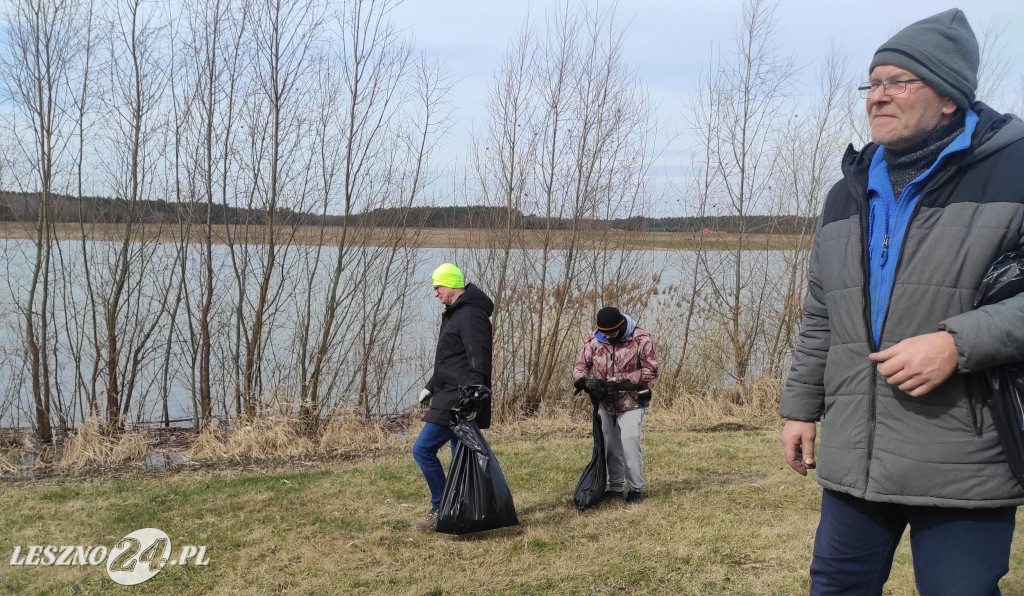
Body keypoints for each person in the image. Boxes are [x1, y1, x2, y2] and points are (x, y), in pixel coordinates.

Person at [779, 8, 1024, 595]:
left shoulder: (1014, 172)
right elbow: (822, 315)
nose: (878, 96)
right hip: (855, 458)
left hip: (965, 456)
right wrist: (800, 409)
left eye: (898, 82)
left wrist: (958, 344)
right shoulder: (846, 191)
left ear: (949, 98)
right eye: (872, 83)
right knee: (835, 587)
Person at [412, 263, 493, 532]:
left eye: (438, 287)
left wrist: (473, 394)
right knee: (461, 456)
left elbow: (478, 357)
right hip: (448, 393)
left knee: (422, 449)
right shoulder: (455, 313)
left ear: (451, 285)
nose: (435, 293)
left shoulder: (471, 315)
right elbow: (451, 359)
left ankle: (442, 507)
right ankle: (462, 511)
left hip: (459, 398)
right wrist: (430, 386)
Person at [573, 306, 659, 504]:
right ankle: (615, 488)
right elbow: (581, 365)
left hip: (632, 401)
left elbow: (652, 370)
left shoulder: (640, 339)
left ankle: (636, 489)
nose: (607, 336)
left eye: (611, 332)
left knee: (629, 442)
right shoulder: (594, 340)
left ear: (620, 326)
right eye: (604, 332)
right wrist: (581, 379)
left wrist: (619, 380)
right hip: (605, 403)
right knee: (610, 447)